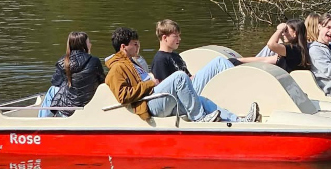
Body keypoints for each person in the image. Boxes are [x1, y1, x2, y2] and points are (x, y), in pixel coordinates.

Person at [107, 27, 260, 123]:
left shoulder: (134, 63)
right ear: (123, 47)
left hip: (159, 98)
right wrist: (150, 83)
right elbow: (123, 96)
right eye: (134, 44)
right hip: (149, 105)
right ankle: (199, 118)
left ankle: (240, 121)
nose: (138, 46)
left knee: (201, 100)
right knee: (179, 76)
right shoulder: (117, 68)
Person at [40, 32, 105, 117]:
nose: (90, 44)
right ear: (83, 45)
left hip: (68, 110)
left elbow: (55, 82)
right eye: (88, 42)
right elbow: (102, 81)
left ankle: (42, 121)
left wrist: (67, 80)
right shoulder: (94, 61)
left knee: (52, 90)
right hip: (88, 104)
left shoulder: (63, 62)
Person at [234, 19, 310, 72]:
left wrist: (279, 30)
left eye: (286, 31)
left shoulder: (294, 50)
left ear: (295, 33)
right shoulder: (298, 50)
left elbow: (271, 44)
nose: (283, 34)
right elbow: (265, 60)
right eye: (283, 31)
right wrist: (238, 60)